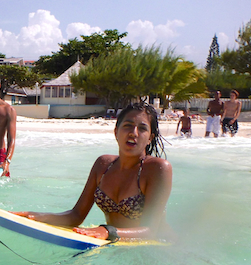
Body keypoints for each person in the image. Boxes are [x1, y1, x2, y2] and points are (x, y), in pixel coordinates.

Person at [12, 102, 173, 241]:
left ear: (150, 137)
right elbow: (76, 215)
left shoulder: (157, 169)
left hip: (158, 247)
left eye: (142, 128)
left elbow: (150, 230)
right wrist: (38, 217)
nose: (134, 133)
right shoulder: (103, 165)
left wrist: (106, 231)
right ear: (116, 132)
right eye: (128, 125)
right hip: (113, 240)